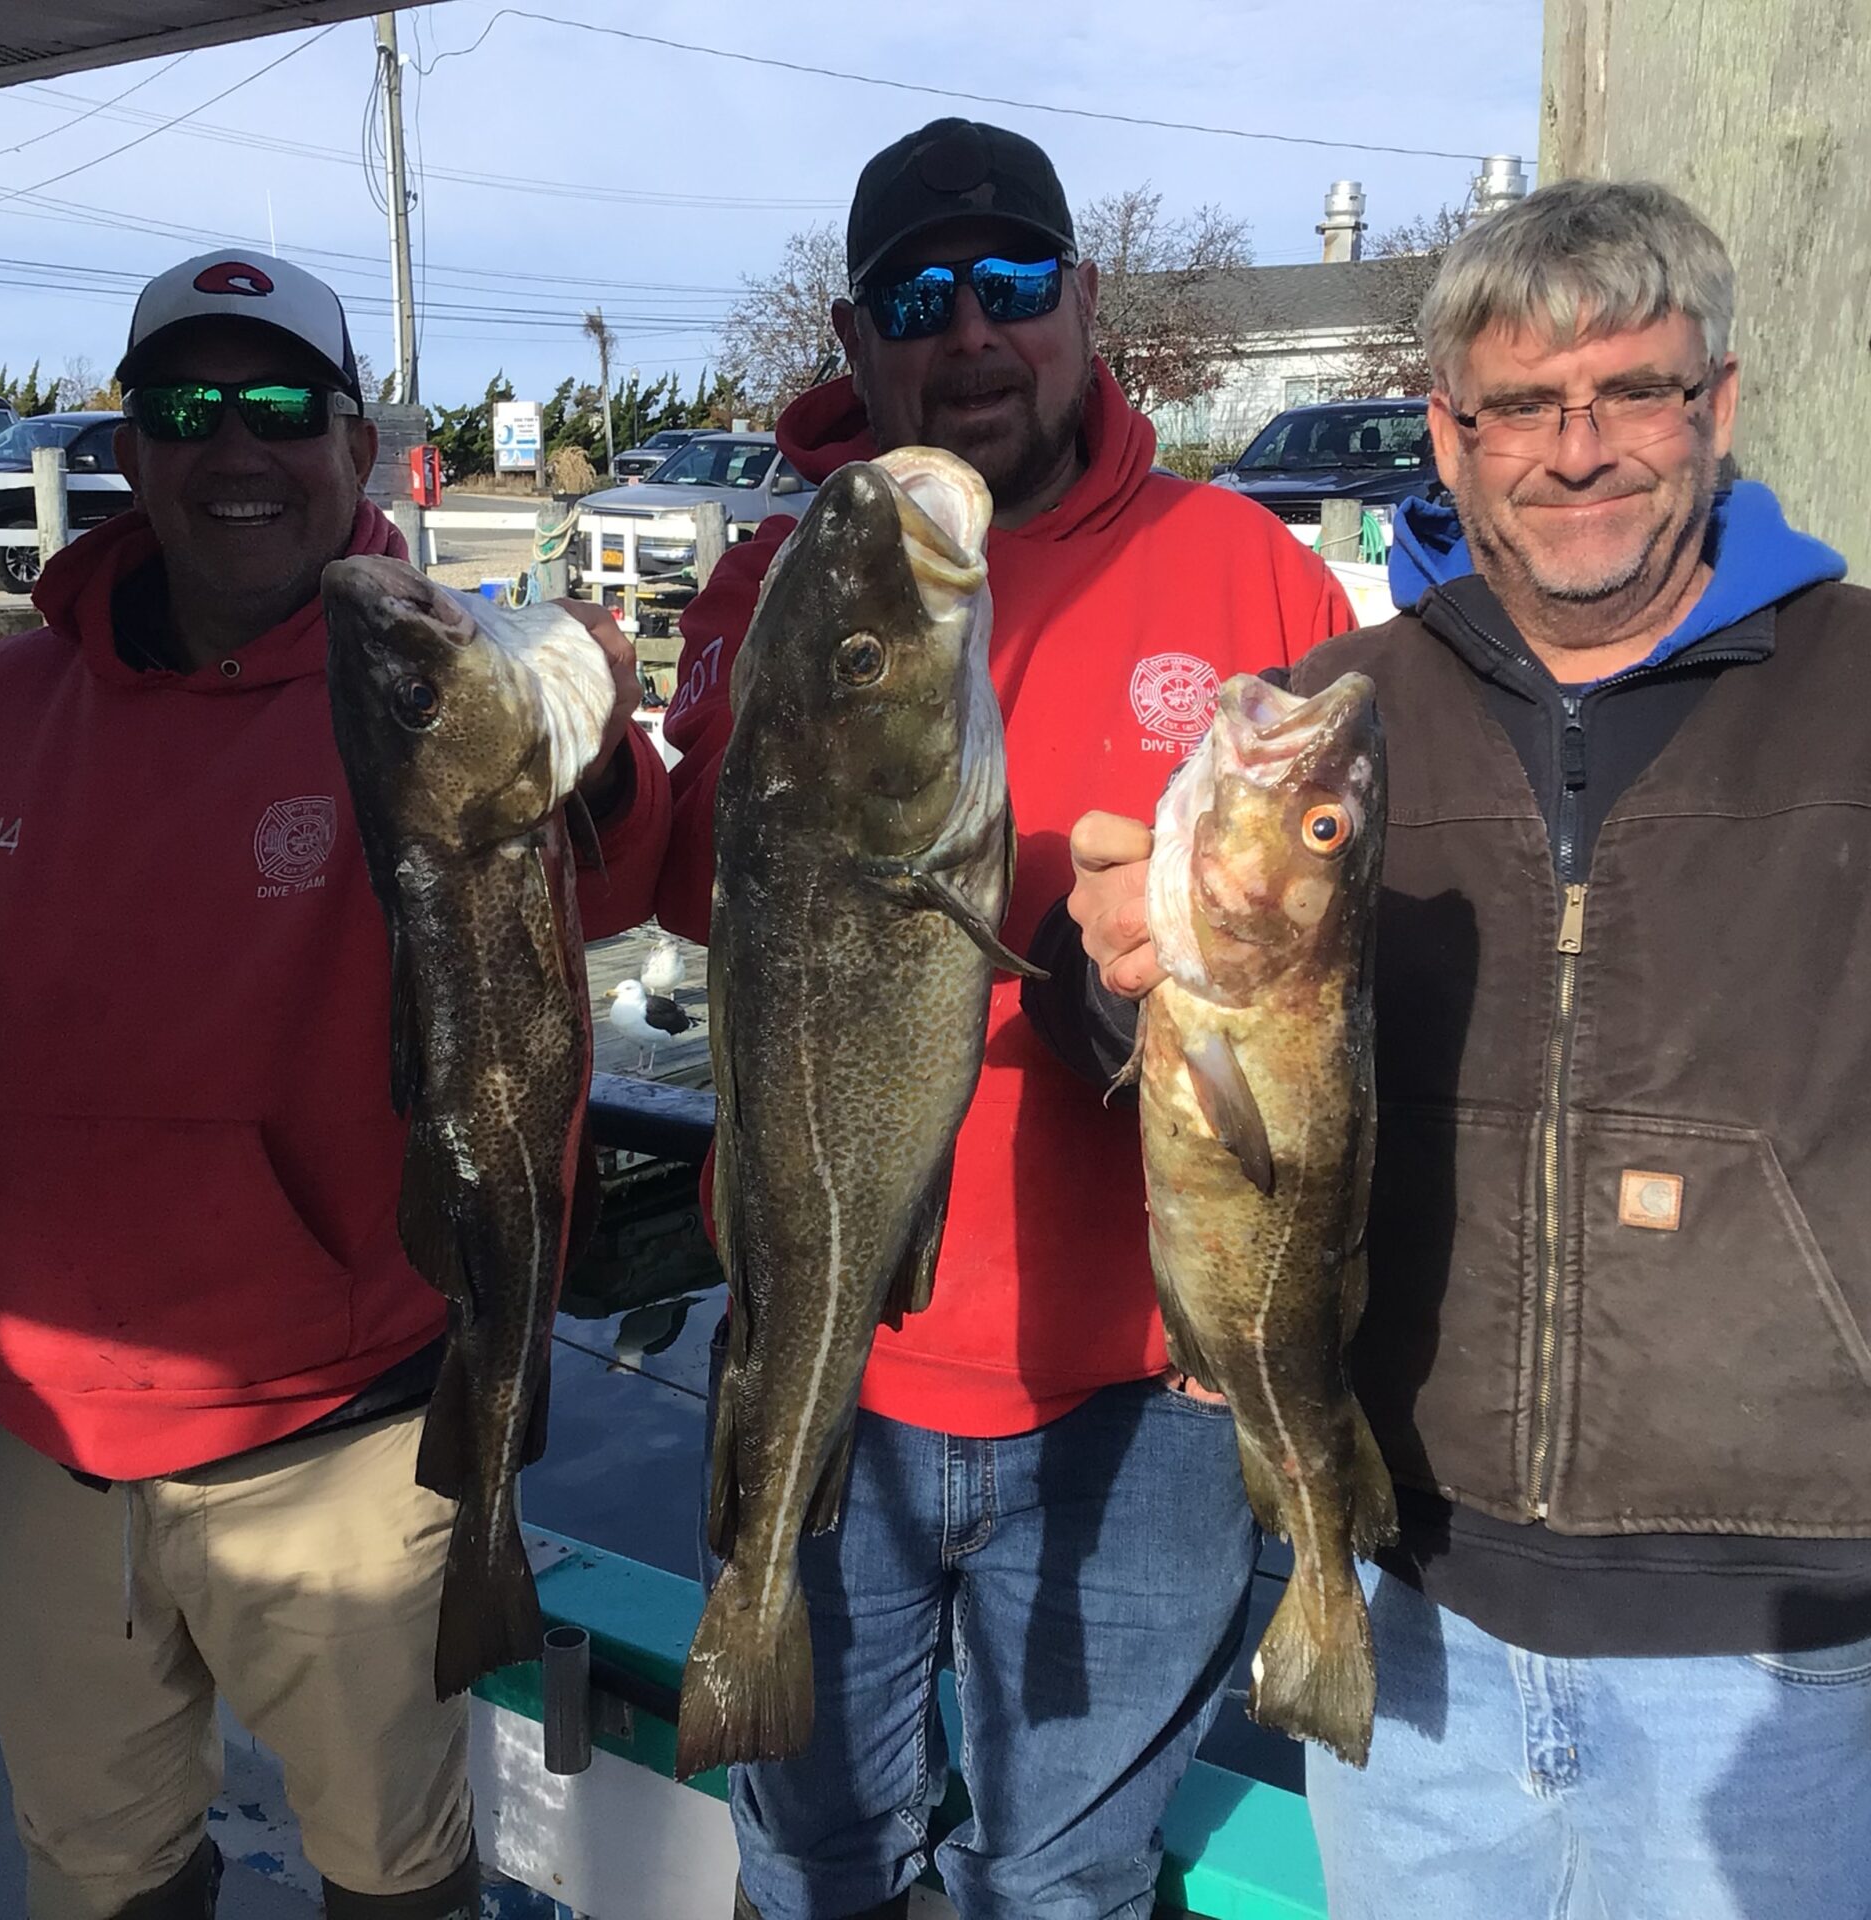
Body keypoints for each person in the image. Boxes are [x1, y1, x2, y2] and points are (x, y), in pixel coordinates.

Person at [1064, 180, 1871, 1917]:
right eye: (1523, 407)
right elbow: (1248, 1093)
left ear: (1721, 406)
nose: (1580, 449)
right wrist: (1126, 971)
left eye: (1634, 390)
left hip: (1778, 1659)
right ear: (1450, 441)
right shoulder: (1352, 707)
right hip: (1414, 1598)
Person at [0, 249, 668, 1920]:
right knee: (98, 1868)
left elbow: (629, 866)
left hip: (343, 1447)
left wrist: (597, 720)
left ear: (355, 448)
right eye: (187, 406)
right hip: (31, 1440)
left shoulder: (439, 686)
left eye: (282, 405)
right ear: (128, 448)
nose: (236, 448)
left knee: (391, 1868)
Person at [654, 120, 1354, 1919]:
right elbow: (679, 891)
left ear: (1084, 301)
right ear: (857, 332)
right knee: (811, 1860)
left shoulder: (1251, 575)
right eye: (919, 297)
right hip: (835, 1359)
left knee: (1060, 1878)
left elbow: (1340, 983)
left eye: (1015, 285)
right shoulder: (782, 581)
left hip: (1149, 1396)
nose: (972, 333)